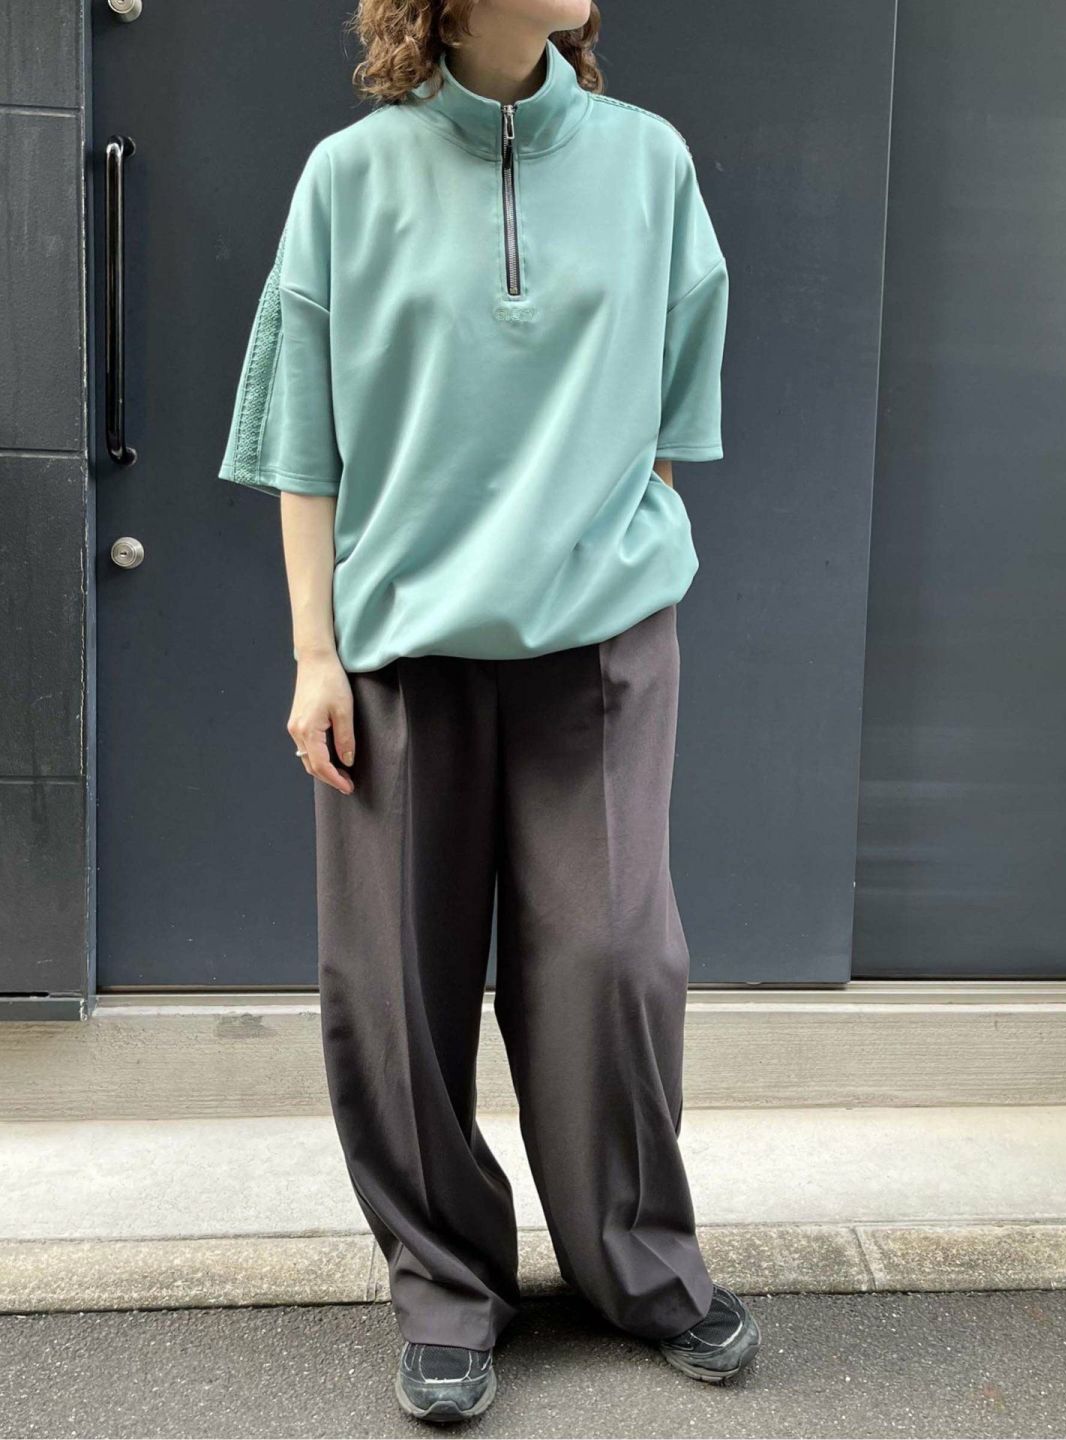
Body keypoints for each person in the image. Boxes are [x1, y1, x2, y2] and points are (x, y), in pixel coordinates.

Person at [219, 0, 758, 1422]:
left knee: (617, 956)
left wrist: (602, 542)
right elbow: (301, 438)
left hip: (600, 639)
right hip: (400, 648)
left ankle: (639, 1266)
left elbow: (671, 414)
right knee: (395, 982)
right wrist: (314, 654)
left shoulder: (649, 162)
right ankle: (446, 1287)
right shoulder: (350, 177)